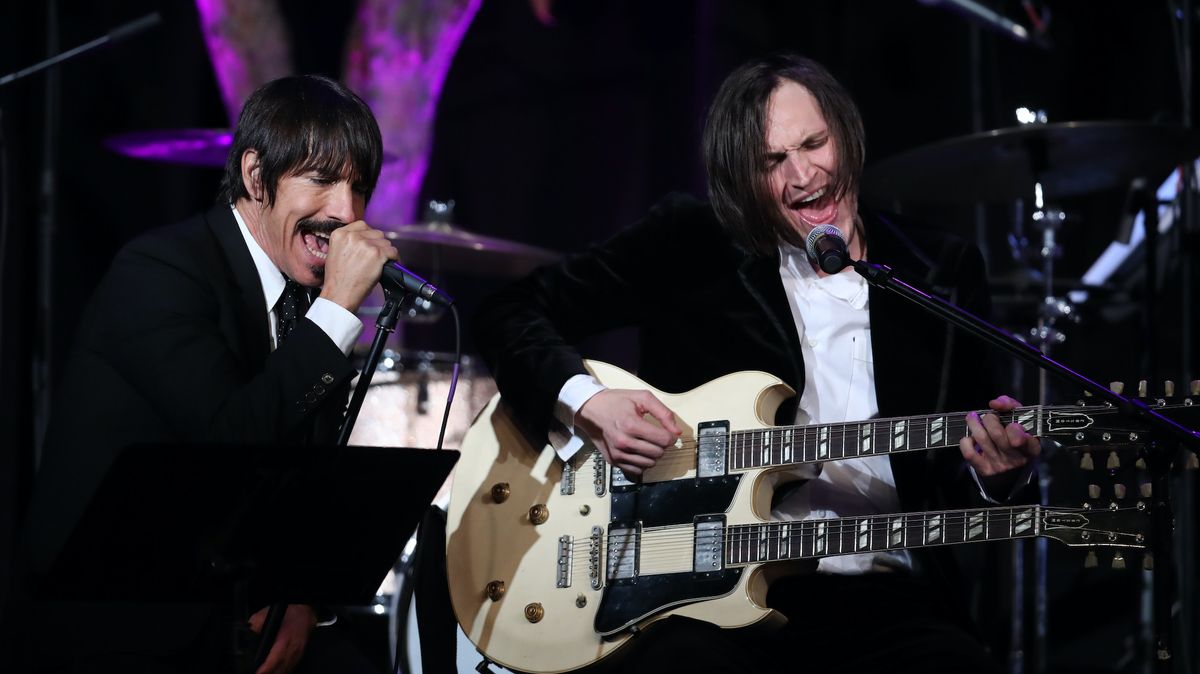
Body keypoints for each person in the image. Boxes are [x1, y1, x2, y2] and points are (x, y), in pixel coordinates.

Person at [473, 53, 1040, 673]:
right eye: (774, 161)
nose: (803, 175)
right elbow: (508, 309)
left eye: (814, 144)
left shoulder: (940, 269)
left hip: (887, 592)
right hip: (707, 592)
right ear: (743, 176)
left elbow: (965, 467)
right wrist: (589, 403)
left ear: (845, 134)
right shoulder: (691, 244)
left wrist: (999, 475)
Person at [20, 75, 396, 674]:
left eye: (360, 188)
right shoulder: (161, 271)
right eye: (323, 180)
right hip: (123, 618)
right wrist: (335, 313)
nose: (346, 213)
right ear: (254, 176)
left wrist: (298, 597)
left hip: (234, 606)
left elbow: (302, 477)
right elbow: (231, 442)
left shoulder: (304, 302)